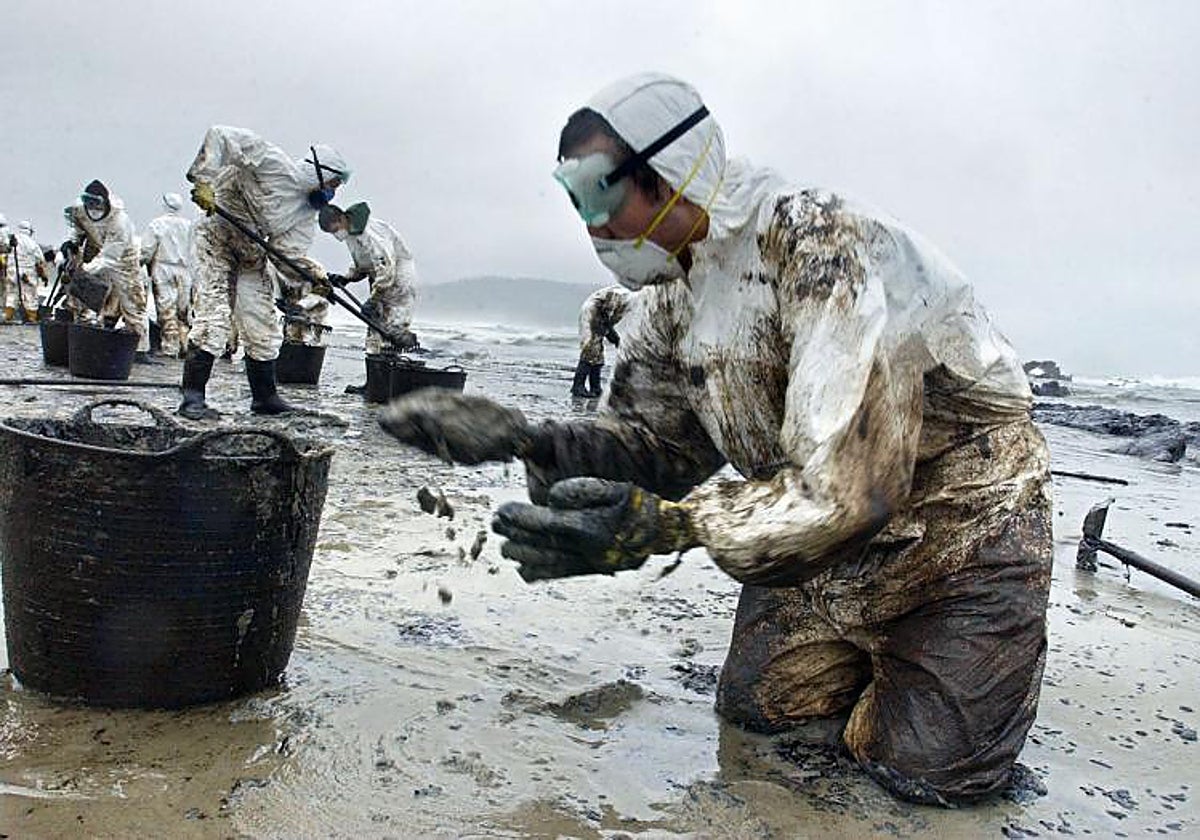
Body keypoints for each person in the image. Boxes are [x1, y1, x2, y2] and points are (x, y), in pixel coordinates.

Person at [377, 72, 1052, 806]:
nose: (590, 223)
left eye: (599, 194)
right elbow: (659, 446)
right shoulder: (671, 292)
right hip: (810, 541)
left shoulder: (818, 244)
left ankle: (943, 658)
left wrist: (671, 527)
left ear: (671, 169)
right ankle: (879, 665)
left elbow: (858, 489)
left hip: (954, 534)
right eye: (573, 197)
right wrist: (530, 440)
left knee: (925, 772)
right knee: (758, 712)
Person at [180, 125, 350, 419]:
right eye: (332, 183)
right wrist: (204, 181)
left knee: (262, 323)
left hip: (250, 252)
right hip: (214, 237)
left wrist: (313, 278)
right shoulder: (271, 162)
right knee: (215, 315)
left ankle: (265, 398)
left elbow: (286, 257)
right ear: (318, 172)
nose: (331, 193)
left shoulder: (304, 215)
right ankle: (192, 398)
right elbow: (220, 136)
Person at [64, 180, 154, 361]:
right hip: (98, 253)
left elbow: (110, 257)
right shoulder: (79, 211)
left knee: (133, 304)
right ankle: (106, 331)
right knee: (104, 300)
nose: (92, 207)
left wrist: (85, 270)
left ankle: (139, 349)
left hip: (124, 261)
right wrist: (73, 242)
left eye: (96, 203)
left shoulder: (119, 222)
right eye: (89, 202)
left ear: (105, 202)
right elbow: (78, 228)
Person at [318, 201, 419, 359]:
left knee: (392, 328)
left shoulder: (370, 233)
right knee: (374, 329)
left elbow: (386, 266)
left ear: (342, 218)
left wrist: (374, 298)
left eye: (335, 229)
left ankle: (393, 372)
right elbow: (364, 262)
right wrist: (347, 277)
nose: (336, 234)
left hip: (397, 279)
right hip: (380, 279)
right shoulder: (352, 234)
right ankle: (374, 380)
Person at [140, 192, 194, 357]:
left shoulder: (157, 224)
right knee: (183, 311)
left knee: (166, 310)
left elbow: (146, 251)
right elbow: (195, 252)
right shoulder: (189, 226)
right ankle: (185, 344)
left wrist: (139, 265)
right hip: (185, 270)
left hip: (163, 269)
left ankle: (170, 348)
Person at [571, 284, 631, 397]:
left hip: (600, 318)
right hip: (592, 314)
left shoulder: (630, 299)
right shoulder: (622, 295)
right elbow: (604, 314)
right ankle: (578, 386)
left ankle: (595, 387)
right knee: (590, 348)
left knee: (598, 354)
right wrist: (613, 336)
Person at [5, 221, 47, 322]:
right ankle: (31, 318)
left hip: (11, 271)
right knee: (30, 296)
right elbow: (40, 260)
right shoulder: (32, 243)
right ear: (29, 231)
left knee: (11, 294)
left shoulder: (10, 240)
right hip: (28, 273)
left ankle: (8, 317)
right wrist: (43, 276)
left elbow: (5, 252)